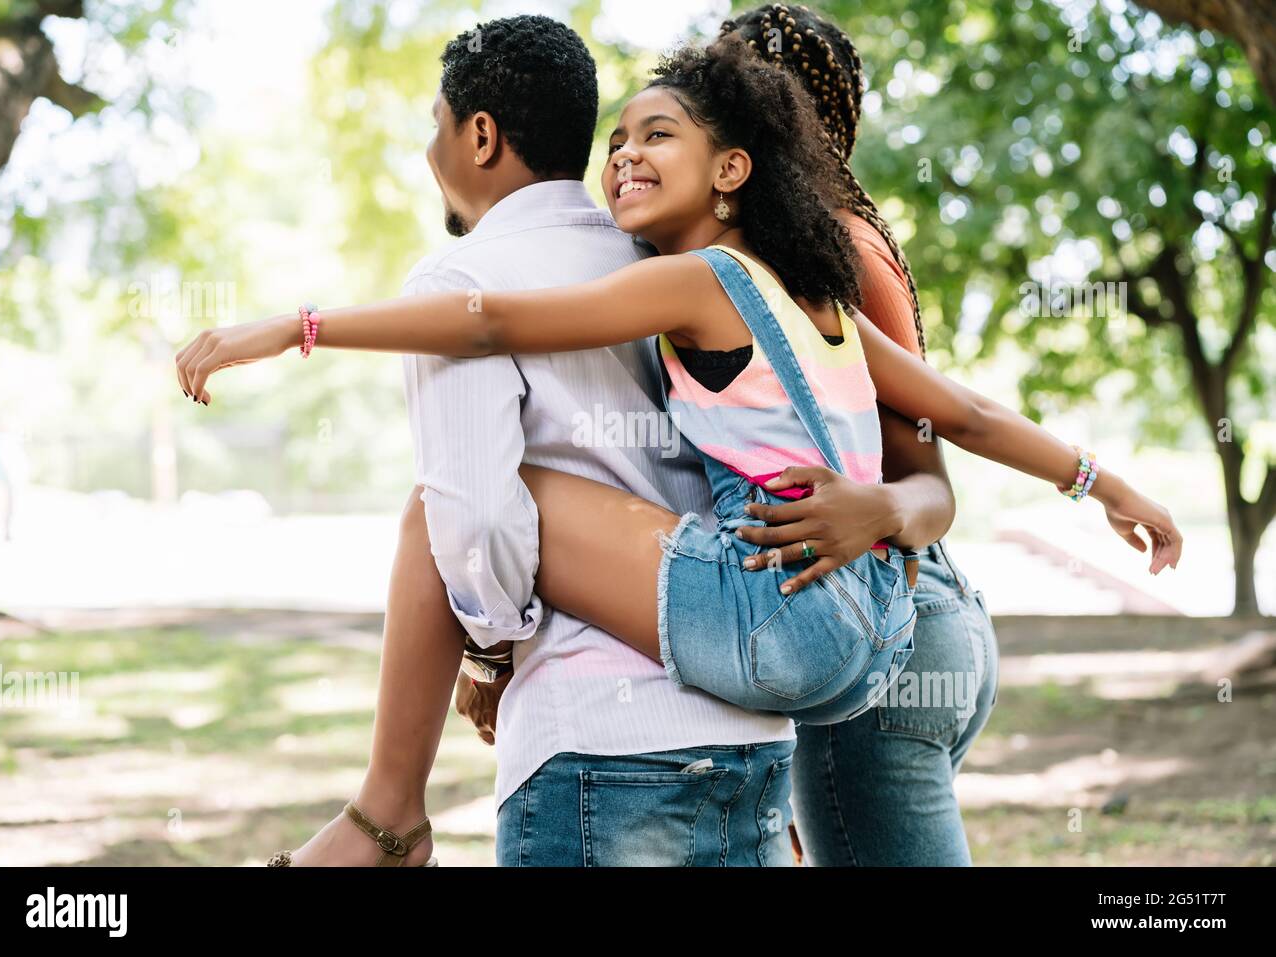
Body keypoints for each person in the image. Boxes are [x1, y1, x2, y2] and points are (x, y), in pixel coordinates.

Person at [176, 35, 1182, 866]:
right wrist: (1101, 483)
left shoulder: (703, 279)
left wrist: (296, 328)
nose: (623, 156)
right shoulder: (812, 295)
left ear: (732, 169)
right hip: (862, 631)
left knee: (450, 502)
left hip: (771, 616)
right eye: (616, 140)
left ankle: (386, 817)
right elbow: (961, 412)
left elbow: (486, 324)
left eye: (657, 135)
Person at [722, 1, 1003, 866]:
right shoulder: (799, 239)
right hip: (910, 631)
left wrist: (872, 511)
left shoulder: (831, 248)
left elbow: (932, 483)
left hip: (894, 641)